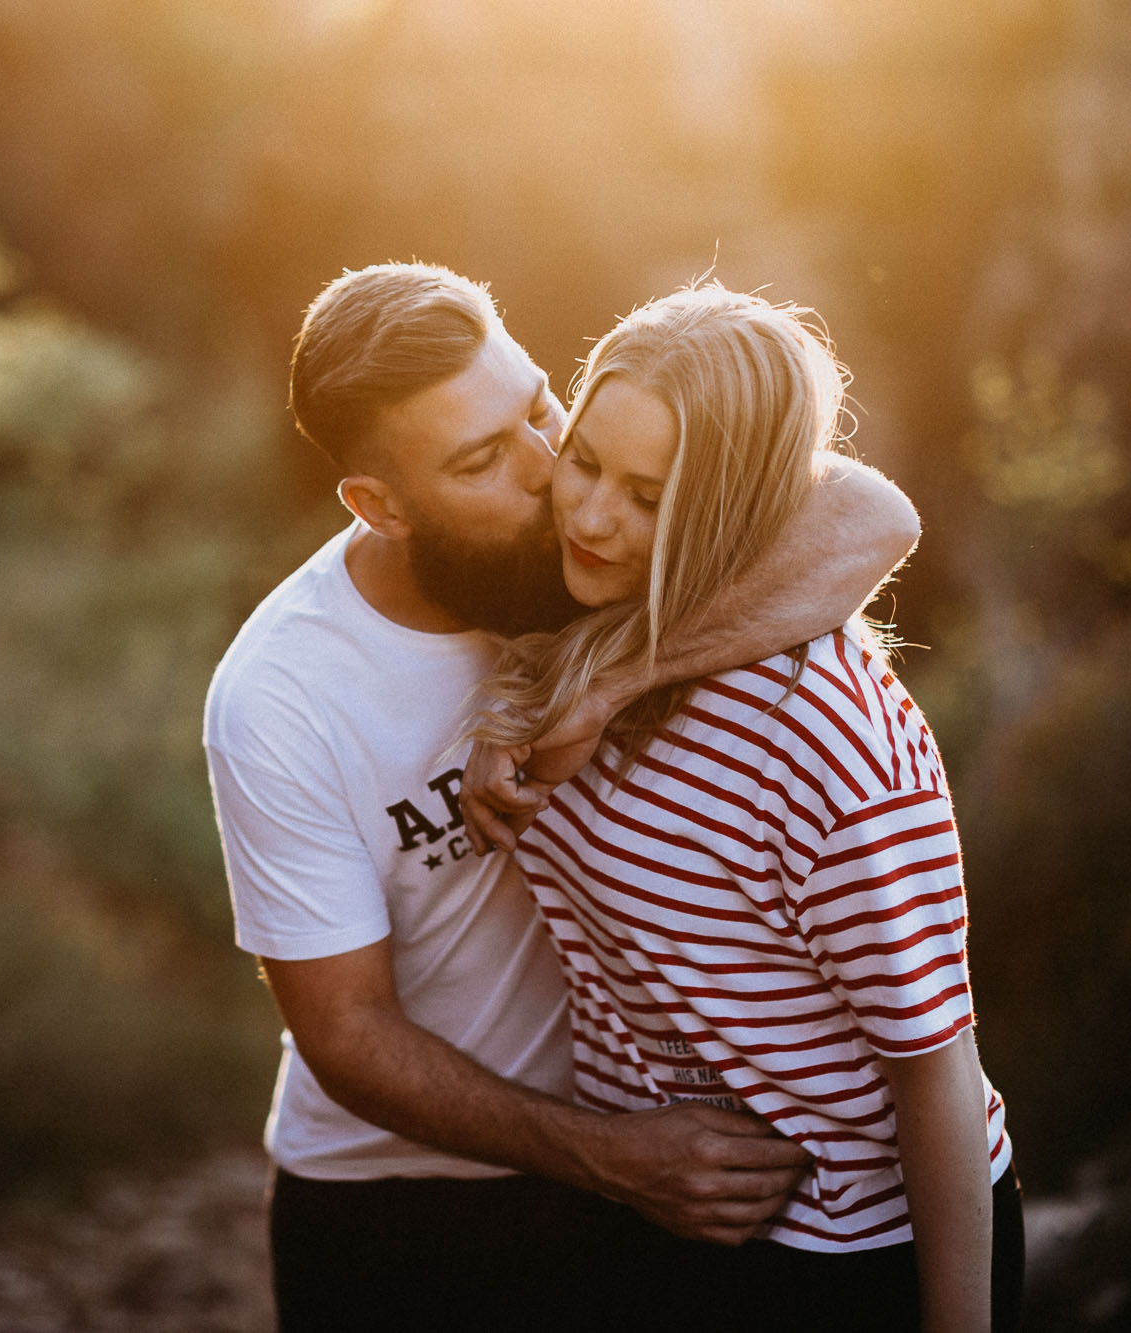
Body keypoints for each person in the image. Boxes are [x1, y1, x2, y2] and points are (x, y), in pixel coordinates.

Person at [203, 261, 922, 1329]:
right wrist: (604, 1157)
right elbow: (345, 1032)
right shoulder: (279, 695)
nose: (550, 471)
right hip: (395, 1211)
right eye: (483, 460)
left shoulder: (591, 545)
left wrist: (611, 678)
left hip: (631, 1171)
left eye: (538, 406)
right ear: (379, 504)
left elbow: (872, 514)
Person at [466, 282, 1022, 1331]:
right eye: (583, 462)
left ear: (723, 507)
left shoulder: (816, 732)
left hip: (844, 1255)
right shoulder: (560, 605)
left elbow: (934, 1072)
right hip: (644, 1220)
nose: (589, 517)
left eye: (648, 495)